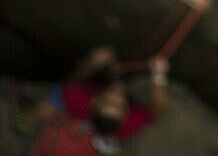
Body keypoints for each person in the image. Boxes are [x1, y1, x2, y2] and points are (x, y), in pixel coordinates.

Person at [28, 47, 168, 155]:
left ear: (94, 101)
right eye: (120, 105)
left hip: (80, 109)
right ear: (126, 113)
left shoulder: (78, 98)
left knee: (57, 94)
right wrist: (159, 76)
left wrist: (94, 61)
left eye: (107, 101)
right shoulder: (134, 120)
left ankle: (27, 120)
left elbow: (72, 82)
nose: (116, 96)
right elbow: (157, 108)